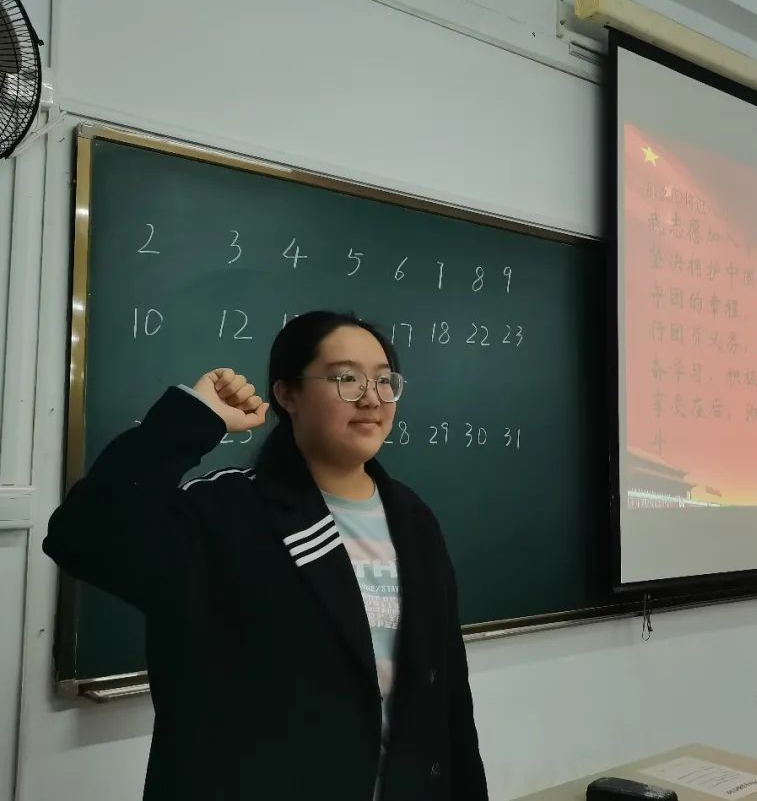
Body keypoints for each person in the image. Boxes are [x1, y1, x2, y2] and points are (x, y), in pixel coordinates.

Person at [43, 311, 488, 801]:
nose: (371, 398)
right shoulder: (224, 513)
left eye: (385, 380)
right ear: (287, 394)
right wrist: (192, 419)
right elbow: (83, 536)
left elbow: (448, 695)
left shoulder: (412, 519)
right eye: (345, 378)